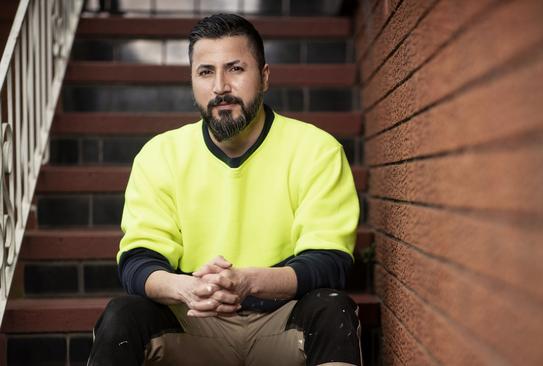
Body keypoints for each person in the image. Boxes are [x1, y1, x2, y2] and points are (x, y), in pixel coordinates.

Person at [87, 13, 362, 366]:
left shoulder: (316, 150)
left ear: (264, 76)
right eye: (205, 72)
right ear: (192, 81)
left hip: (282, 320)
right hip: (194, 323)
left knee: (333, 307)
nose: (220, 87)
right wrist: (185, 289)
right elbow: (138, 261)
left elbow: (329, 262)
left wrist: (247, 282)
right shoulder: (160, 155)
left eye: (235, 68)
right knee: (122, 315)